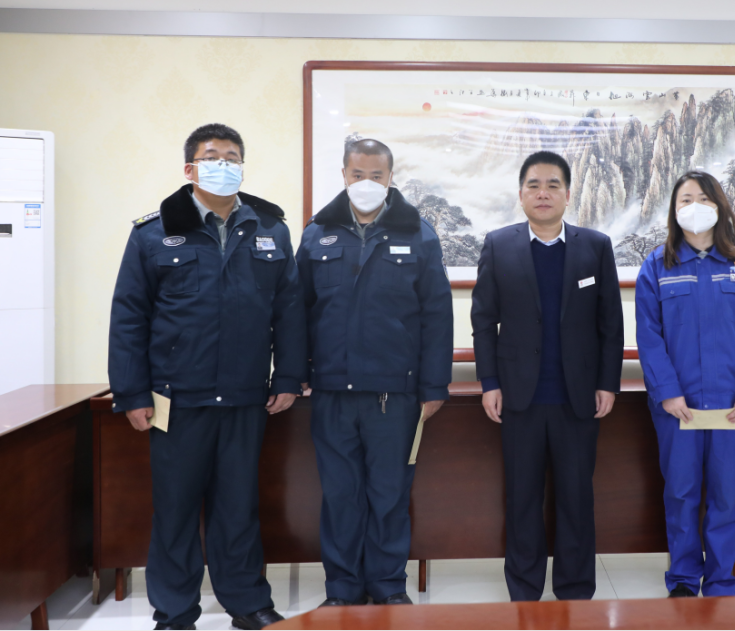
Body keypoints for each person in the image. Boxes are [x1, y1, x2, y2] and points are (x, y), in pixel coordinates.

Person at [108, 123, 305, 630]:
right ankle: (175, 610)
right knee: (175, 509)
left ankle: (247, 601)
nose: (224, 164)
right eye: (213, 156)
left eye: (232, 157)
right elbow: (129, 315)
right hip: (177, 398)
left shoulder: (270, 228)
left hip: (245, 396)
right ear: (190, 168)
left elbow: (289, 310)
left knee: (238, 506)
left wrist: (288, 377)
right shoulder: (152, 232)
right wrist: (131, 391)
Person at [297, 137, 453, 607]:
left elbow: (437, 315)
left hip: (395, 395)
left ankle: (387, 587)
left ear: (390, 178)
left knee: (389, 495)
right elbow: (296, 310)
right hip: (332, 392)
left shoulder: (420, 234)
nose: (366, 183)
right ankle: (342, 590)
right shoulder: (316, 234)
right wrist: (295, 372)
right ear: (344, 175)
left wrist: (434, 385)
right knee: (340, 496)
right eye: (358, 174)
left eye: (376, 175)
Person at [471, 150, 624, 601]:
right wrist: (489, 383)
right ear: (521, 195)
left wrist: (607, 382)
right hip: (519, 397)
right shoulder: (498, 245)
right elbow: (484, 321)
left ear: (568, 194)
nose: (543, 193)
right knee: (522, 498)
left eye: (553, 185)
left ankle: (575, 590)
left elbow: (611, 323)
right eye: (534, 185)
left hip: (578, 397)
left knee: (576, 498)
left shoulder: (595, 246)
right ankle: (524, 590)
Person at [635, 171, 735, 598]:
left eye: (703, 198)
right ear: (674, 210)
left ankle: (720, 581)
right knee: (681, 493)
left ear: (719, 206)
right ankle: (682, 578)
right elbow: (649, 336)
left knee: (725, 495)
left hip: (733, 406)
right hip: (679, 406)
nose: (694, 206)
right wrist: (667, 392)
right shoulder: (657, 266)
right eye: (685, 199)